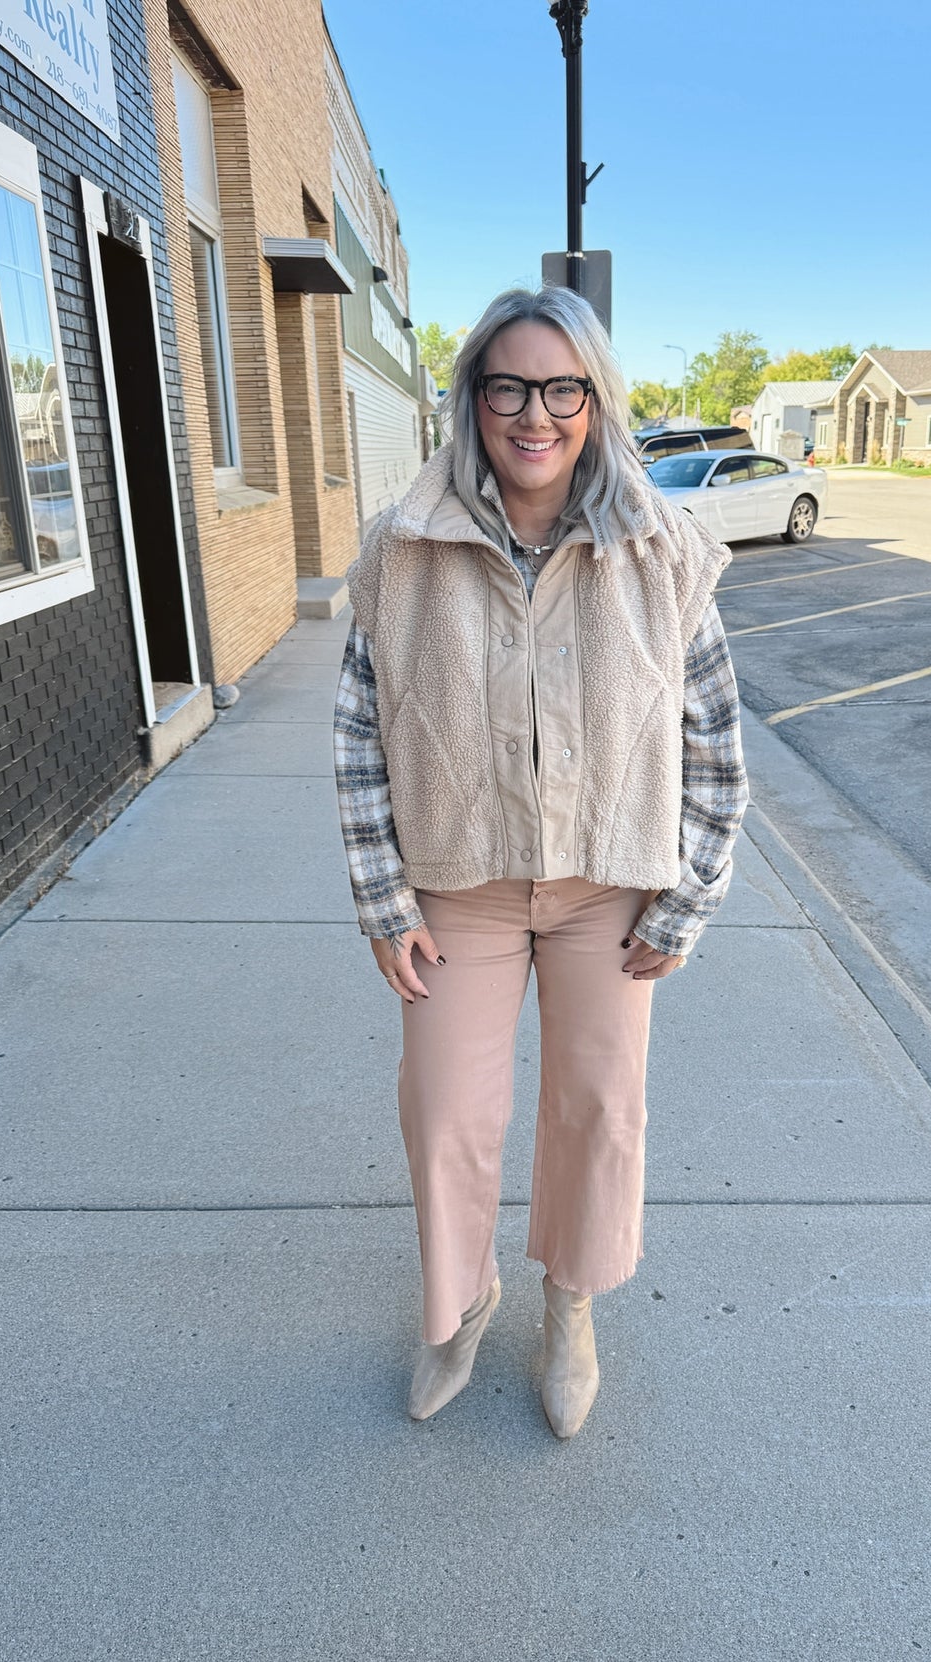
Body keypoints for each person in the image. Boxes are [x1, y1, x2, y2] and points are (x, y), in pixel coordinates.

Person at [333, 286, 747, 1438]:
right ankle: (462, 1305)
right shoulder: (404, 547)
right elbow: (359, 733)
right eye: (507, 385)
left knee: (598, 1106)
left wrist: (689, 894)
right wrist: (381, 895)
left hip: (606, 888)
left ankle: (571, 1307)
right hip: (456, 883)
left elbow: (714, 739)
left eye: (562, 388)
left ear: (594, 402)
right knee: (447, 1113)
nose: (535, 413)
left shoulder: (662, 554)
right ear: (472, 398)